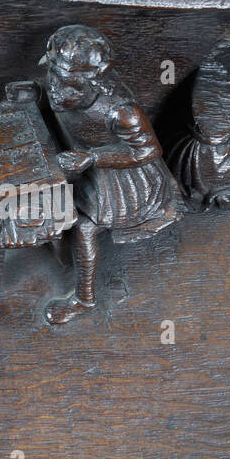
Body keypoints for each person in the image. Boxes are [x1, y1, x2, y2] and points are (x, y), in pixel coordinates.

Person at [41, 25, 184, 324]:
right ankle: (56, 247)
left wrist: (93, 158)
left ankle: (84, 299)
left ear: (94, 83)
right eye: (53, 77)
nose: (56, 90)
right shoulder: (61, 89)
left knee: (85, 227)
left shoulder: (121, 112)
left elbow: (146, 151)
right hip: (80, 156)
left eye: (68, 86)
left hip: (121, 178)